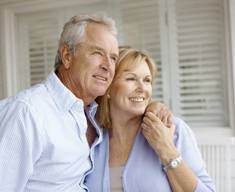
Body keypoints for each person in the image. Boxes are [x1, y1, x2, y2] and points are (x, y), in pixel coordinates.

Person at [0, 15, 172, 192]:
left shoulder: (91, 113)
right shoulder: (27, 112)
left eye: (113, 58)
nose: (108, 66)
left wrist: (153, 107)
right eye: (97, 53)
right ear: (67, 56)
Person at [85, 47, 216, 192]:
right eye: (131, 79)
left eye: (147, 80)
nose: (142, 88)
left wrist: (166, 149)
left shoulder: (172, 128)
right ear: (108, 88)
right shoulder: (92, 137)